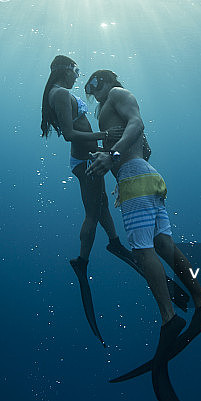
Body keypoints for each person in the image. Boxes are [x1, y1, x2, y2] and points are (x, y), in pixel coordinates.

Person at [84, 69, 201, 353]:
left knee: (143, 251)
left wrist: (113, 156)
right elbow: (142, 145)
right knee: (163, 244)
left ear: (107, 80)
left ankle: (169, 319)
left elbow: (138, 125)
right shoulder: (108, 110)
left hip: (134, 180)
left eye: (94, 82)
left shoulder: (117, 94)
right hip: (145, 177)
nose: (91, 89)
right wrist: (110, 153)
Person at [40, 55, 139, 344]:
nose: (78, 78)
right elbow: (72, 134)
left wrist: (103, 144)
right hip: (83, 162)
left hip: (87, 157)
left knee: (102, 205)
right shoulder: (58, 94)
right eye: (76, 72)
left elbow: (79, 132)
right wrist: (106, 134)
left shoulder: (61, 94)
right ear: (65, 70)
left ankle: (114, 242)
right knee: (92, 214)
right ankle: (81, 261)